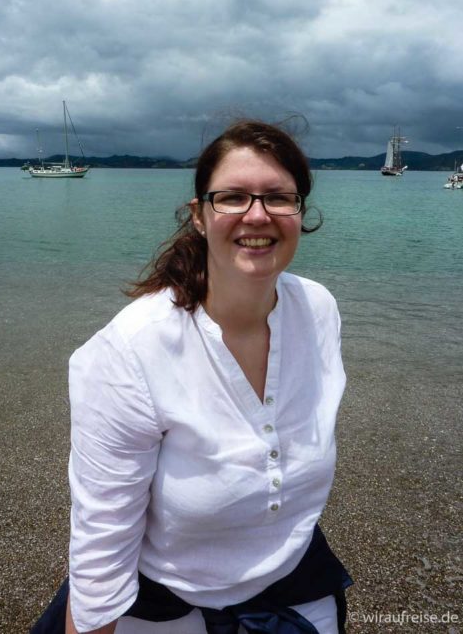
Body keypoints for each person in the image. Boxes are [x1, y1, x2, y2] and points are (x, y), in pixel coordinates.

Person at [62, 119, 351, 634]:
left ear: (299, 212)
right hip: (166, 599)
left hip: (296, 580)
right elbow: (102, 542)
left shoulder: (319, 311)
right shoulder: (131, 352)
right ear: (198, 215)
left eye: (278, 197)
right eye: (232, 197)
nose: (257, 214)